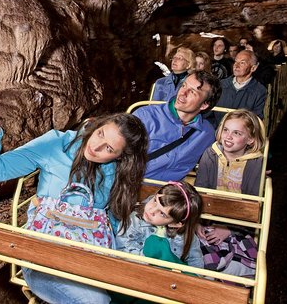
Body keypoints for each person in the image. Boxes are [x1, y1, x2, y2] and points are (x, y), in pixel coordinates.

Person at [0, 93, 148, 304]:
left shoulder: (118, 172)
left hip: (88, 259)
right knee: (96, 302)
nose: (97, 146)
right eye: (100, 133)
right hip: (43, 256)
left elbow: (111, 221)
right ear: (96, 125)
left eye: (109, 148)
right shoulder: (56, 144)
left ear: (121, 157)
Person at [195, 109, 266, 277]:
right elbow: (199, 192)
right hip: (207, 218)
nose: (228, 136)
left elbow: (252, 206)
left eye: (237, 133)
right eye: (226, 130)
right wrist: (196, 221)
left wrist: (229, 229)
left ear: (250, 139)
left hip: (237, 223)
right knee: (196, 247)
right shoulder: (210, 155)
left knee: (246, 257)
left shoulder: (256, 163)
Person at [110, 182, 203, 304]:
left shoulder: (186, 237)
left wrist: (197, 284)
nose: (151, 210)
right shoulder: (133, 220)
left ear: (175, 223)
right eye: (154, 200)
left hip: (168, 284)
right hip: (137, 277)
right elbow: (124, 249)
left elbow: (196, 264)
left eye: (162, 213)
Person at [133, 71, 222, 181]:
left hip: (168, 194)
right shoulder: (145, 116)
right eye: (184, 85)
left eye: (193, 92)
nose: (183, 93)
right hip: (132, 186)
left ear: (204, 105)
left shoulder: (207, 134)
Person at [208, 50, 267, 128]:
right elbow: (208, 114)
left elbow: (256, 121)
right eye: (235, 61)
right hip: (216, 133)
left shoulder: (259, 91)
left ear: (253, 68)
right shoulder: (220, 85)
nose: (236, 66)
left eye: (242, 63)